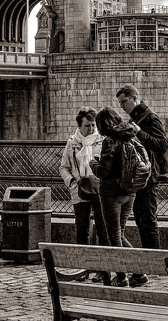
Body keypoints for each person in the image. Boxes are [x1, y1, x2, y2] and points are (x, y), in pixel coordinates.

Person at [116, 83, 168, 288]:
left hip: (150, 176)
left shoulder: (149, 118)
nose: (122, 106)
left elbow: (161, 144)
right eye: (120, 103)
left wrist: (138, 132)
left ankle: (155, 261)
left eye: (124, 102)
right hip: (141, 176)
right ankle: (150, 260)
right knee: (140, 217)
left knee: (148, 218)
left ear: (135, 98)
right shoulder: (136, 118)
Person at [89, 106, 138, 288]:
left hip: (112, 193)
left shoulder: (109, 141)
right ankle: (139, 273)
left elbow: (104, 171)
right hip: (130, 191)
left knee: (114, 237)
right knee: (120, 233)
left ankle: (122, 277)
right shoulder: (130, 136)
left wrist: (93, 163)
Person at [59, 107, 103, 258]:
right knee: (82, 229)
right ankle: (84, 266)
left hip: (99, 189)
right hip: (79, 189)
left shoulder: (101, 141)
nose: (91, 129)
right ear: (79, 126)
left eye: (93, 125)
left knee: (103, 230)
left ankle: (102, 268)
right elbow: (64, 167)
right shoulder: (72, 143)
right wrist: (71, 181)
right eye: (87, 125)